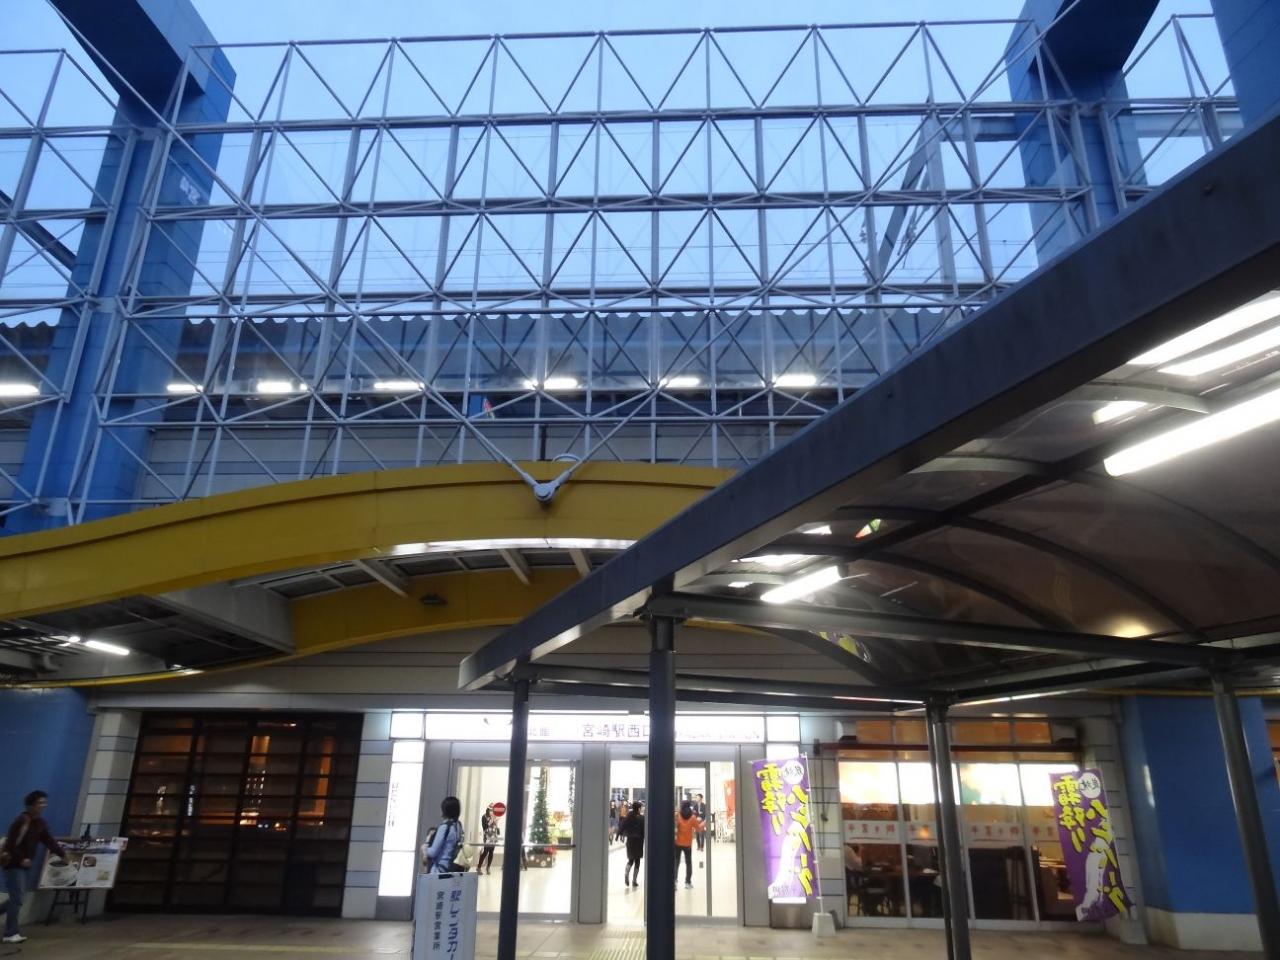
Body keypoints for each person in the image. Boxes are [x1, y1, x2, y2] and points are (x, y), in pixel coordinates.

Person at [3, 790, 67, 945]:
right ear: (30, 805)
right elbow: (10, 844)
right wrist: (22, 858)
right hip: (13, 864)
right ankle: (10, 933)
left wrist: (62, 854)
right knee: (17, 898)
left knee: (17, 898)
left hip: (25, 865)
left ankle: (11, 931)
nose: (43, 805)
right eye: (40, 803)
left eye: (44, 802)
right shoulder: (21, 821)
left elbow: (48, 840)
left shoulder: (40, 823)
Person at [423, 796, 464, 874]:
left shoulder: (444, 827)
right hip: (451, 869)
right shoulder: (458, 826)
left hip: (439, 870)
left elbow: (433, 852)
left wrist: (425, 848)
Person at [674, 800, 702, 888]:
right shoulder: (692, 817)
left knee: (676, 862)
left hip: (677, 843)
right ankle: (687, 882)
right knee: (688, 863)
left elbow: (674, 828)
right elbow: (698, 829)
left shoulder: (678, 816)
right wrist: (705, 822)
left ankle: (674, 882)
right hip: (688, 844)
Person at [619, 800, 645, 888]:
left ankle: (626, 872)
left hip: (630, 841)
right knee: (637, 861)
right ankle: (634, 881)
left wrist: (619, 833)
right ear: (639, 808)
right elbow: (644, 830)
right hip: (639, 841)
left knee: (631, 860)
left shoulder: (629, 816)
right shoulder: (642, 818)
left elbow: (623, 825)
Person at [477, 804, 499, 876]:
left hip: (494, 836)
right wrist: (491, 821)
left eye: (493, 810)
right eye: (490, 810)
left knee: (491, 852)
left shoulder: (494, 817)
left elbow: (497, 830)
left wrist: (496, 823)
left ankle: (488, 867)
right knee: (485, 852)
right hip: (487, 836)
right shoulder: (484, 817)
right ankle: (479, 867)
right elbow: (485, 827)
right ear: (488, 810)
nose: (492, 812)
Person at [692, 792, 708, 863]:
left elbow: (705, 813)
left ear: (701, 798)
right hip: (696, 821)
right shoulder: (695, 805)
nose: (696, 798)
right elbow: (693, 813)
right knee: (697, 834)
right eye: (696, 797)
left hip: (702, 821)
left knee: (701, 834)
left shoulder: (704, 805)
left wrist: (703, 819)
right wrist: (696, 818)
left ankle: (702, 847)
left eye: (697, 797)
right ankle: (698, 846)